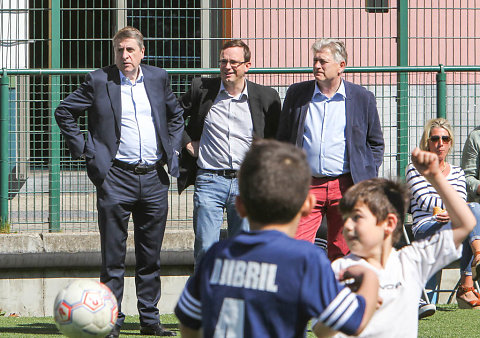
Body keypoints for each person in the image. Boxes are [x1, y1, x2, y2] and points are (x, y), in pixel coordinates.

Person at [174, 139, 379, 338]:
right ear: (308, 204)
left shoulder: (216, 255)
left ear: (240, 206)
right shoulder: (305, 260)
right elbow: (355, 322)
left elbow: (189, 322)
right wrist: (370, 277)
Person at [54, 26, 183, 337]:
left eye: (130, 50)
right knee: (113, 257)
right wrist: (87, 151)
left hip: (153, 177)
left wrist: (172, 149)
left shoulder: (157, 77)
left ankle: (150, 322)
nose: (124, 56)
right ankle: (111, 322)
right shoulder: (100, 80)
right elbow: (64, 112)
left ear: (141, 52)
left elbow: (177, 115)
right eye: (119, 50)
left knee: (150, 257)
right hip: (115, 178)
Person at [331, 148, 479, 337]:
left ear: (389, 223)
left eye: (356, 218)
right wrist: (345, 311)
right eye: (346, 219)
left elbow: (466, 223)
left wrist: (435, 176)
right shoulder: (341, 269)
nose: (348, 226)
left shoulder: (411, 261)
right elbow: (321, 329)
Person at [277, 38, 384, 261]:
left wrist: (366, 172)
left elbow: (375, 143)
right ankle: (302, 295)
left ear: (341, 66)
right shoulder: (298, 94)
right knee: (297, 248)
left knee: (343, 250)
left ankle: (339, 295)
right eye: (315, 60)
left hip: (345, 185)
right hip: (306, 184)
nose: (317, 66)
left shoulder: (362, 98)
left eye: (323, 62)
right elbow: (284, 138)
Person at [177, 39, 281, 265]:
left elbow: (278, 138)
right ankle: (206, 299)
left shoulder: (266, 97)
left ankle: (238, 299)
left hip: (247, 182)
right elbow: (172, 115)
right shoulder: (202, 89)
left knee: (243, 252)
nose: (227, 67)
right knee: (206, 248)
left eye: (234, 62)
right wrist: (186, 143)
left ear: (247, 66)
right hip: (209, 180)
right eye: (223, 61)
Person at [406, 118, 480, 312]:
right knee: (469, 215)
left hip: (454, 228)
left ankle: (471, 271)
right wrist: (454, 209)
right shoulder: (415, 169)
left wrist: (455, 210)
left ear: (450, 142)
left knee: (472, 210)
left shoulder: (457, 172)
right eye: (435, 139)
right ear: (427, 142)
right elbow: (425, 201)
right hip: (426, 227)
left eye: (445, 139)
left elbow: (463, 201)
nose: (440, 144)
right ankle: (469, 280)